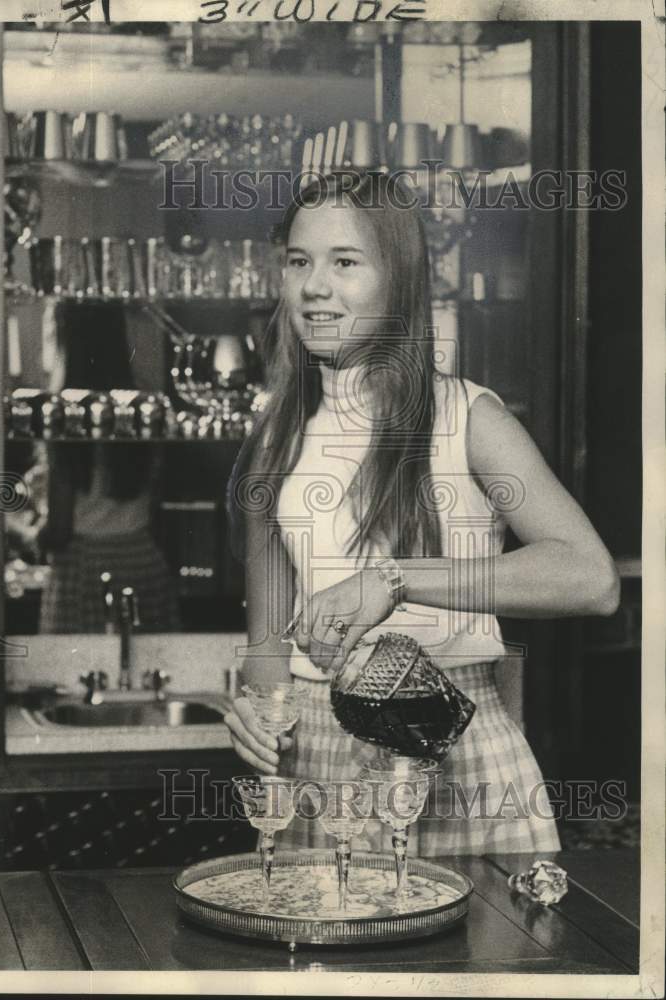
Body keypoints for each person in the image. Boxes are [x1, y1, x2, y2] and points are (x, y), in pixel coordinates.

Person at [223, 171, 620, 855]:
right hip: (318, 766)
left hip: (459, 761)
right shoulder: (276, 433)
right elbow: (268, 644)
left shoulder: (469, 417)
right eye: (299, 261)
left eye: (345, 262)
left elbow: (591, 579)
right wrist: (257, 715)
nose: (314, 286)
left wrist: (396, 579)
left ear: (398, 278)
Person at [38, 301, 181, 634]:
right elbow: (156, 504)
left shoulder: (64, 414)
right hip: (140, 560)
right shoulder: (143, 405)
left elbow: (59, 530)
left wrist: (22, 533)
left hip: (84, 568)